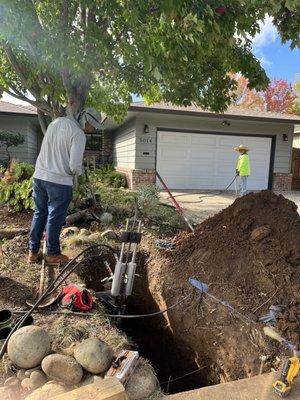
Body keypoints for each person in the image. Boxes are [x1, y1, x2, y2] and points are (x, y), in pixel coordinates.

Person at [28, 108, 101, 264]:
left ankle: (33, 252)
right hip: (59, 181)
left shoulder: (56, 122)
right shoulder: (78, 134)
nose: (92, 130)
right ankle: (52, 253)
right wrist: (79, 173)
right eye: (93, 126)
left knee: (40, 213)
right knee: (55, 217)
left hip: (40, 176)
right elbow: (74, 165)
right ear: (86, 120)